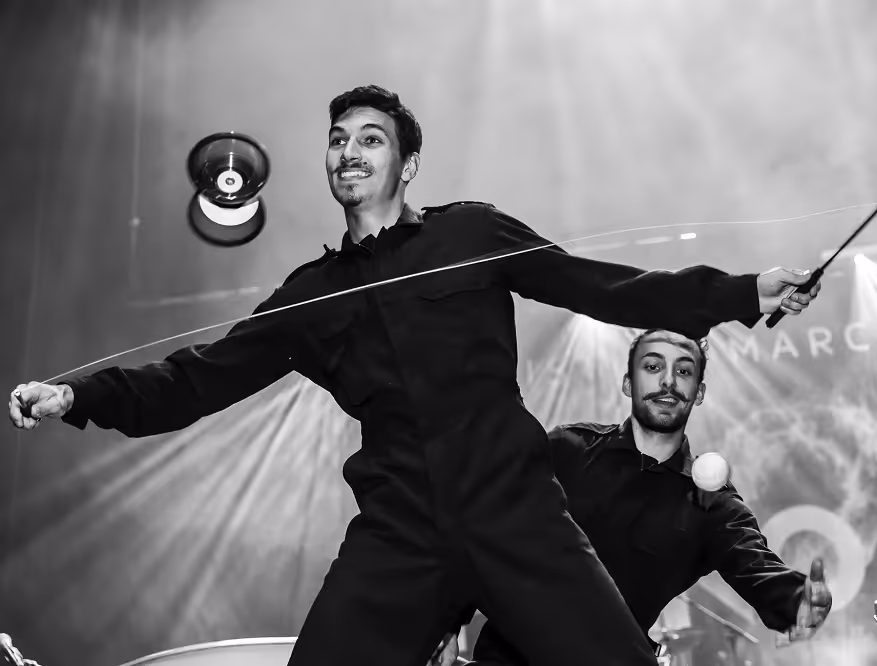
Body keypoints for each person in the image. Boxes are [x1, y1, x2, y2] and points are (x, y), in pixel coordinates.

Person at [8, 85, 822, 666]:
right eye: (338, 140)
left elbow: (605, 288)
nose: (349, 151)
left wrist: (744, 292)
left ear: (408, 164)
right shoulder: (310, 296)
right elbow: (194, 380)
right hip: (401, 531)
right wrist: (79, 394)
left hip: (515, 516)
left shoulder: (471, 233)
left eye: (370, 139)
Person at [443, 328, 832, 665]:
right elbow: (483, 532)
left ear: (698, 393)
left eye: (684, 371)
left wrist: (799, 601)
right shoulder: (567, 449)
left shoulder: (712, 505)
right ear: (628, 383)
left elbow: (757, 565)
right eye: (653, 366)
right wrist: (445, 623)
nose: (668, 381)